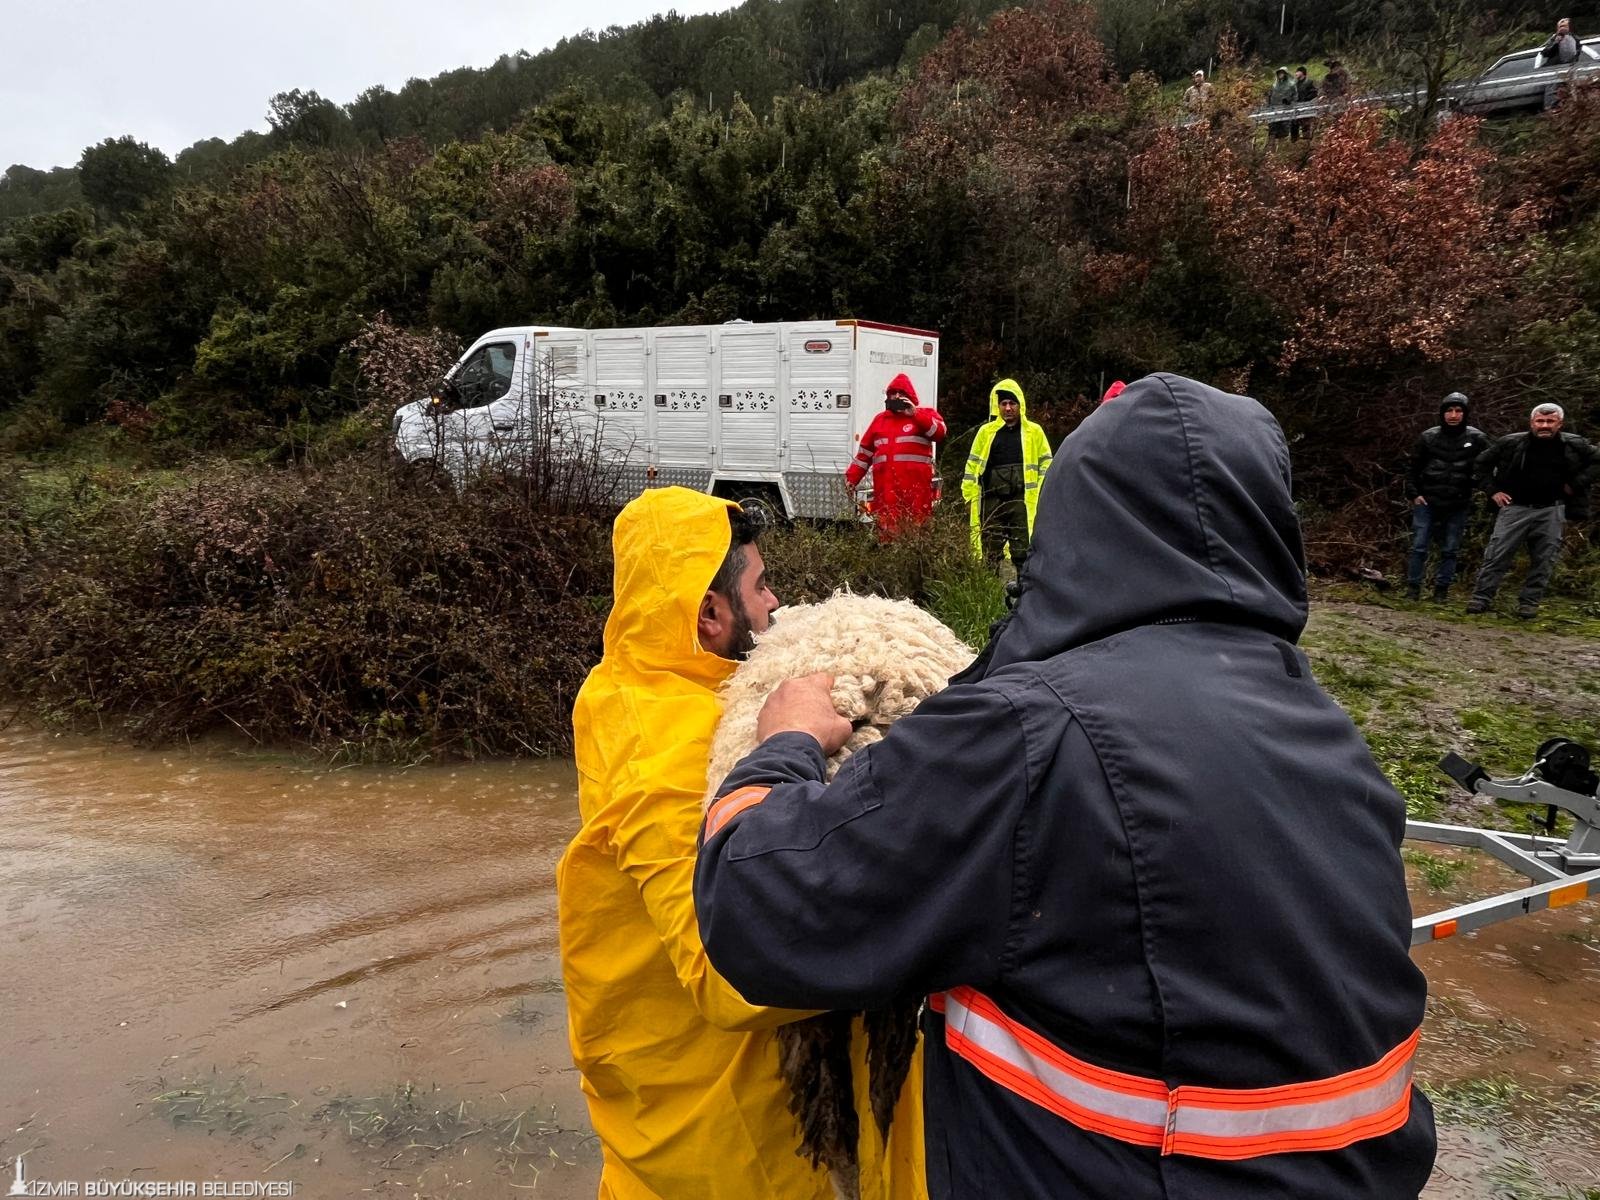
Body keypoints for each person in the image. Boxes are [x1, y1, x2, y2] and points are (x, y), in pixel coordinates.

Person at [696, 374, 1437, 1200]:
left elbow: (760, 908)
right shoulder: (1330, 736)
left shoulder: (1027, 735)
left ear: (1075, 525)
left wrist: (784, 744)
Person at [557, 487, 924, 1200]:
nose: (778, 603)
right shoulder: (665, 748)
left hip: (666, 1115)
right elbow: (728, 968)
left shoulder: (636, 687)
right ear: (710, 613)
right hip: (733, 1146)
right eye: (760, 586)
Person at [1466, 403, 1599, 618]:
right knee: (1497, 554)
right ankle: (1481, 598)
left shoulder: (1574, 444)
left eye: (1550, 421)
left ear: (1560, 424)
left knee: (1544, 559)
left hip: (1551, 510)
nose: (1544, 426)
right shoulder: (1511, 442)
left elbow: (1596, 461)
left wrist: (1576, 484)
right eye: (1540, 421)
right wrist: (1493, 491)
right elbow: (1480, 463)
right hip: (1514, 508)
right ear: (1532, 423)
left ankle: (1529, 603)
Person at [960, 378, 1053, 569]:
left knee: (1023, 553)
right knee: (989, 554)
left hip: (1022, 501)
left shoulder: (1034, 432)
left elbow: (1047, 465)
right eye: (1004, 403)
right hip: (992, 502)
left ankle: (1023, 595)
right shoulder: (986, 433)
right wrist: (969, 497)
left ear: (1020, 405)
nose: (1008, 408)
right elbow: (971, 467)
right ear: (998, 406)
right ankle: (988, 594)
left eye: (1012, 403)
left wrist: (1044, 494)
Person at [1405, 392, 1488, 601]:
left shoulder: (1477, 438)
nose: (1453, 415)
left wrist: (1480, 485)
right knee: (1419, 546)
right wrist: (1414, 494)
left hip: (1458, 501)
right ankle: (1413, 588)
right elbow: (1413, 467)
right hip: (1428, 500)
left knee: (1451, 549)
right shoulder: (1428, 437)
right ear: (1442, 413)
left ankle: (1441, 591)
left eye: (1458, 411)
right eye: (1449, 411)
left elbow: (1488, 466)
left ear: (1465, 414)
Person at [845, 374, 947, 540]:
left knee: (917, 540)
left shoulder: (923, 415)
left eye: (901, 393)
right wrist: (852, 478)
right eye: (893, 393)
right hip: (886, 497)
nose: (897, 396)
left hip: (916, 497)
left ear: (910, 396)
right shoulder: (879, 421)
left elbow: (940, 433)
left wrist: (915, 414)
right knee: (888, 540)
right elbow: (864, 455)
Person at [1267, 67, 1297, 141]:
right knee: (1273, 126)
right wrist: (1269, 103)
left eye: (1282, 73)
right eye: (1279, 73)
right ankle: (1273, 142)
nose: (1280, 75)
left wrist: (1289, 101)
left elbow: (1295, 96)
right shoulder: (1275, 84)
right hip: (1274, 108)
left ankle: (1283, 142)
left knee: (1284, 126)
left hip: (1286, 108)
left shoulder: (1291, 84)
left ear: (1285, 74)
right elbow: (1271, 95)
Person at [1292, 65, 1319, 140]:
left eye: (1297, 72)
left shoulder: (1309, 82)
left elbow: (1314, 93)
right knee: (1294, 123)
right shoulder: (1296, 84)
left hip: (1307, 106)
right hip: (1297, 106)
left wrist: (1306, 99)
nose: (1296, 73)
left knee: (1306, 125)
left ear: (1302, 72)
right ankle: (1294, 140)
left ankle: (1307, 142)